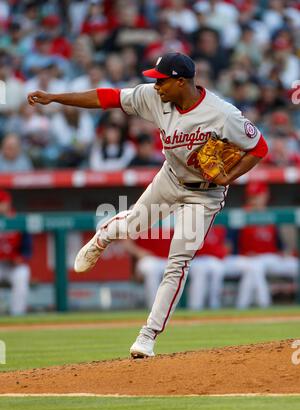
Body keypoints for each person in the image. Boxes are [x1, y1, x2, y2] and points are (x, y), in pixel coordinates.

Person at [28, 52, 268, 358]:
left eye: (161, 81)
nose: (155, 86)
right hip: (169, 179)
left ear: (181, 82)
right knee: (131, 226)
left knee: (178, 262)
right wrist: (55, 97)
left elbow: (259, 147)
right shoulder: (155, 98)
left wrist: (228, 176)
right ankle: (103, 237)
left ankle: (147, 336)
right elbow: (108, 98)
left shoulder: (223, 114)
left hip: (205, 195)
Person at [0, 190, 32, 316]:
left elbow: (28, 249)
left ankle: (17, 314)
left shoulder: (17, 219)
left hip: (13, 265)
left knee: (22, 274)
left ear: (8, 204)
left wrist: (21, 258)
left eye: (2, 203)